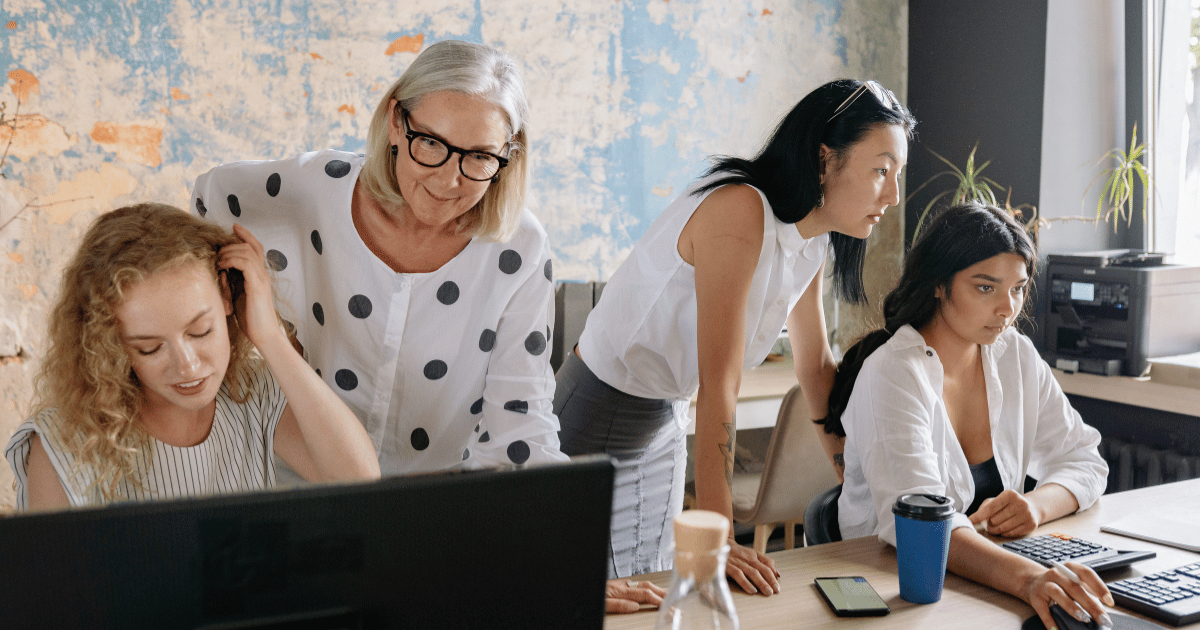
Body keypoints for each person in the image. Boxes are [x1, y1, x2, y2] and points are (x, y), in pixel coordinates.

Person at [191, 40, 662, 613]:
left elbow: (521, 424)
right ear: (395, 120)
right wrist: (250, 324)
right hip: (301, 500)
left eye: (480, 157)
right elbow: (208, 199)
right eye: (431, 145)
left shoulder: (518, 247)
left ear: (509, 155)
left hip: (436, 526)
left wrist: (564, 561)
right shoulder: (310, 192)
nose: (451, 179)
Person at [554, 79, 916, 593]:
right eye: (881, 170)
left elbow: (814, 369)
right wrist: (721, 537)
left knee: (656, 593)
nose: (894, 194)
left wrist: (857, 491)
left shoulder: (811, 242)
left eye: (897, 174)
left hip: (662, 419)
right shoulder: (741, 208)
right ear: (824, 160)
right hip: (597, 414)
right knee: (579, 595)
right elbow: (718, 384)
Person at [827, 203, 1112, 630]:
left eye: (1017, 289)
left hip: (985, 580)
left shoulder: (1014, 354)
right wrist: (1032, 579)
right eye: (985, 288)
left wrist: (1035, 506)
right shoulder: (893, 372)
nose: (1007, 309)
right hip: (895, 591)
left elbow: (1085, 459)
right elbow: (920, 527)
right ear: (939, 285)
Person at [5, 204, 380, 509]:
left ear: (227, 297)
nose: (188, 366)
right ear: (110, 343)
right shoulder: (63, 440)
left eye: (201, 331)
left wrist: (270, 338)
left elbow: (361, 482)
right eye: (149, 348)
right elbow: (51, 595)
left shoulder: (253, 394)